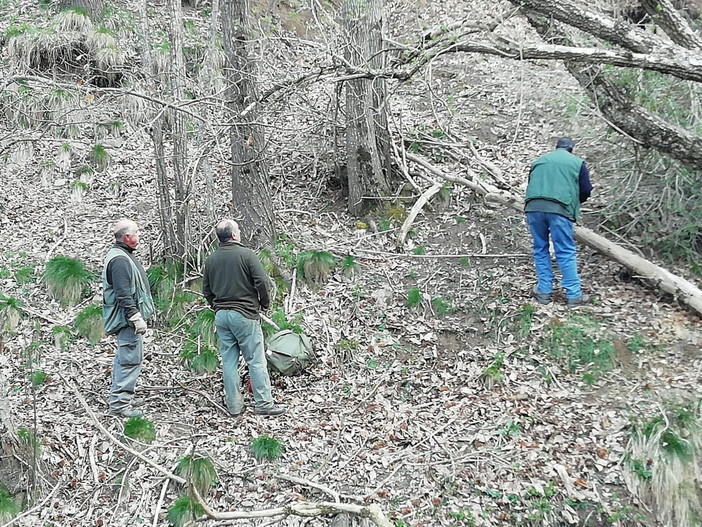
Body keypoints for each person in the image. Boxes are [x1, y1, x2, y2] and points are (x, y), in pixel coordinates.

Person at [202, 219, 285, 417]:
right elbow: (262, 281)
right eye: (237, 229)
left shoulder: (211, 259)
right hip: (245, 314)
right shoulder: (247, 255)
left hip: (221, 316)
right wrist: (264, 303)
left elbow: (206, 290)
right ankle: (264, 404)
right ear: (233, 235)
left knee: (229, 362)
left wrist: (216, 306)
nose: (239, 232)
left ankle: (234, 407)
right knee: (255, 360)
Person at [525, 137, 593, 307]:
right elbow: (585, 190)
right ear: (572, 149)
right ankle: (573, 295)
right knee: (565, 250)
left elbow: (532, 183)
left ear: (556, 148)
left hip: (534, 207)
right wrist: (574, 203)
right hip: (560, 209)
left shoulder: (539, 161)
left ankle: (543, 290)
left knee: (540, 248)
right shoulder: (577, 163)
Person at [102, 219, 155, 418]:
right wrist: (135, 317)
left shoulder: (121, 255)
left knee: (126, 358)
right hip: (127, 321)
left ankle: (123, 398)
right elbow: (123, 293)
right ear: (127, 237)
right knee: (129, 360)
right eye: (137, 233)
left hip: (128, 319)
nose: (139, 236)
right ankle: (119, 406)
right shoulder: (120, 261)